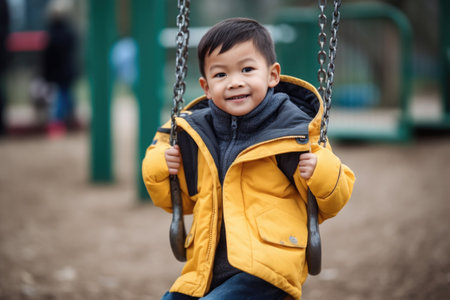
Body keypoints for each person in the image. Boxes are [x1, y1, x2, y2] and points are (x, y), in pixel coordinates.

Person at [142, 18, 355, 300]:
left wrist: (321, 170)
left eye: (247, 69)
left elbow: (333, 200)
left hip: (267, 269)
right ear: (205, 87)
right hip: (205, 269)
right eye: (221, 75)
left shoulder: (293, 132)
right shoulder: (196, 134)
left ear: (272, 75)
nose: (235, 82)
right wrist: (162, 167)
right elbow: (178, 201)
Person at [42, 0, 79, 137]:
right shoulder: (69, 31)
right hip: (67, 71)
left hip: (59, 72)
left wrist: (46, 74)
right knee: (65, 95)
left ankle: (57, 122)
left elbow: (48, 57)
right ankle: (69, 118)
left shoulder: (52, 34)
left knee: (62, 97)